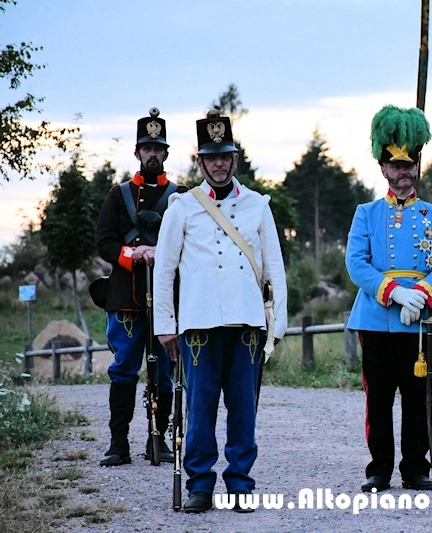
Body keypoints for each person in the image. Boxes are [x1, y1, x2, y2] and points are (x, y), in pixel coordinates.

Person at [153, 109, 288, 513]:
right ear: (200, 162)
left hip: (247, 322)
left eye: (225, 156)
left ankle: (240, 483)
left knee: (244, 409)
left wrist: (277, 325)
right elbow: (164, 270)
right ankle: (199, 484)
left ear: (235, 159)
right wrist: (165, 325)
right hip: (200, 322)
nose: (219, 164)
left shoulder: (257, 205)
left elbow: (274, 267)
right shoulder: (182, 207)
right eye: (211, 158)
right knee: (200, 408)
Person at [345, 105, 432, 493]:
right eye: (396, 165)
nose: (403, 172)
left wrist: (422, 293)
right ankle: (379, 468)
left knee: (415, 398)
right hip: (377, 317)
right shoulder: (366, 213)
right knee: (378, 399)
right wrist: (395, 293)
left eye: (409, 165)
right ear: (383, 169)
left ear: (417, 167)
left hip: (419, 320)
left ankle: (415, 469)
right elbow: (356, 264)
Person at [95, 108, 187, 467]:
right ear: (137, 152)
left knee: (164, 371)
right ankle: (118, 443)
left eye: (158, 148)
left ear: (166, 153)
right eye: (147, 148)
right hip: (126, 297)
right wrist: (133, 254)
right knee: (123, 370)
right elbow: (104, 241)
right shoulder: (118, 195)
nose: (152, 154)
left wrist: (161, 252)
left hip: (166, 298)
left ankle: (158, 440)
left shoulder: (180, 196)